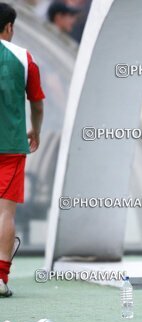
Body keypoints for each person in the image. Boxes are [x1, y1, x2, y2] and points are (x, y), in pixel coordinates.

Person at [0, 3, 45, 297]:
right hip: (11, 146)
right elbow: (37, 103)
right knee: (5, 212)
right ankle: (1, 279)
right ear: (9, 27)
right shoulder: (23, 57)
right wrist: (36, 130)